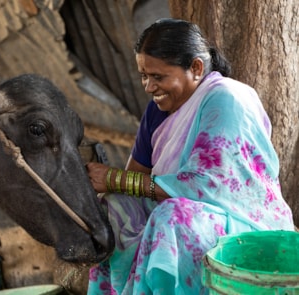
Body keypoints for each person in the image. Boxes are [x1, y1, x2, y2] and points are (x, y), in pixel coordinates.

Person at [85, 18, 295, 294]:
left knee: (172, 216)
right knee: (113, 206)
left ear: (196, 68)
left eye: (158, 77)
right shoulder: (157, 111)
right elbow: (133, 180)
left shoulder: (227, 99)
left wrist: (111, 178)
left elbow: (205, 184)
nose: (148, 87)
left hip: (243, 226)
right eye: (144, 76)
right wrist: (108, 186)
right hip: (180, 214)